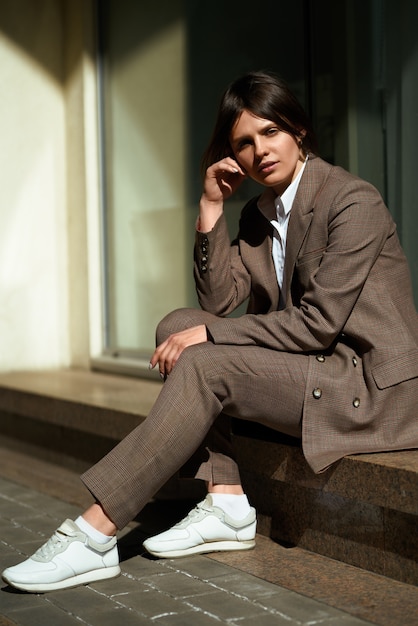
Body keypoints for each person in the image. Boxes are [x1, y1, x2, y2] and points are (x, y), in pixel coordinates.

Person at [3, 71, 418, 593]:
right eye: (244, 142)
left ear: (299, 130)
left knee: (203, 354)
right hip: (314, 368)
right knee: (177, 326)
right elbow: (218, 302)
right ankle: (225, 502)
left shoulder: (352, 202)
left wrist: (214, 340)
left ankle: (94, 533)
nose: (260, 150)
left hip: (366, 386)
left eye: (271, 132)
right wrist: (211, 208)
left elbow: (318, 324)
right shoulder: (258, 214)